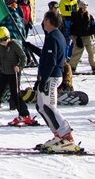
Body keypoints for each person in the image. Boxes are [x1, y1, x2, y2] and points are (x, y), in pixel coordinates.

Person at [32, 11, 77, 153]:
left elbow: (51, 62)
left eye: (44, 20)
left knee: (49, 106)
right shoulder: (53, 35)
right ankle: (58, 134)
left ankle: (67, 135)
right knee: (41, 106)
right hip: (48, 76)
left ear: (49, 21)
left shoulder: (53, 37)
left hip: (51, 76)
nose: (43, 23)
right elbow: (46, 55)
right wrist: (30, 47)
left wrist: (43, 80)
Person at [0, 27, 35, 126]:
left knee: (15, 95)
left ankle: (25, 115)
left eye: (5, 39)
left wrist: (19, 66)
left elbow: (24, 58)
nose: (4, 42)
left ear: (8, 36)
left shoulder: (14, 45)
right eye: (1, 40)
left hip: (14, 74)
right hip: (4, 74)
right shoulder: (1, 47)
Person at [67, 1, 95, 74]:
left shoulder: (89, 16)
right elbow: (72, 27)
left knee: (92, 52)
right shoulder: (75, 16)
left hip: (88, 36)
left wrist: (94, 32)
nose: (85, 9)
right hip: (78, 37)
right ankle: (72, 67)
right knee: (76, 53)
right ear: (80, 7)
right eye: (83, 7)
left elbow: (93, 25)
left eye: (86, 7)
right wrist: (72, 35)